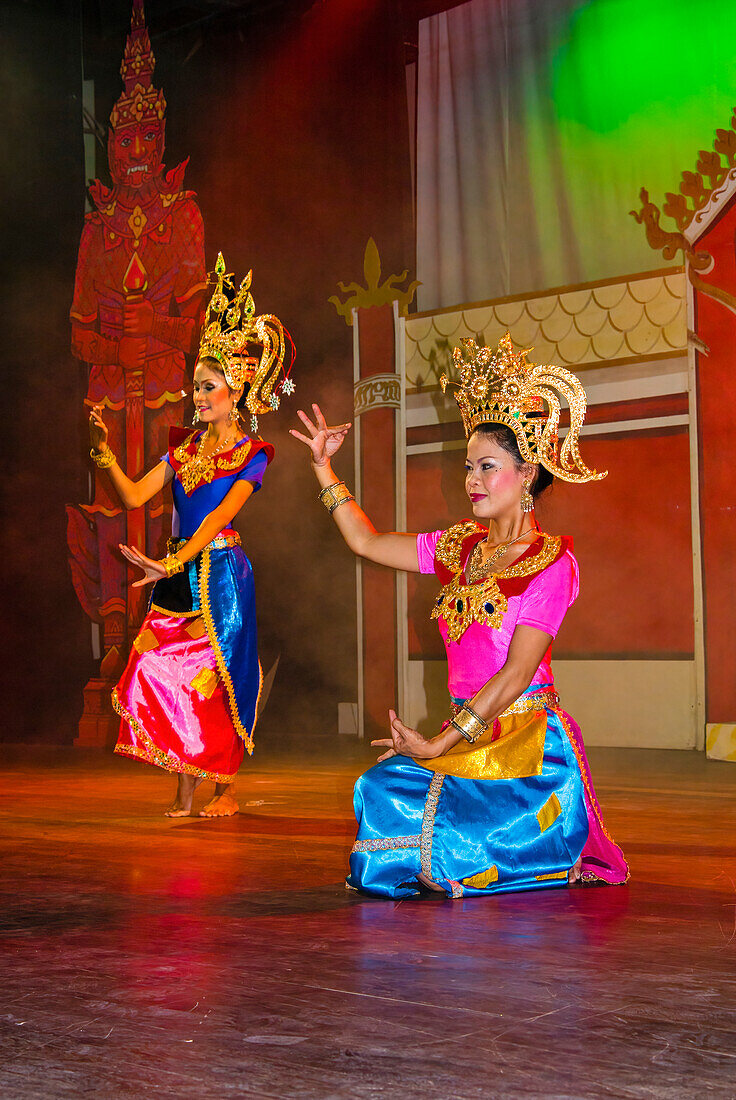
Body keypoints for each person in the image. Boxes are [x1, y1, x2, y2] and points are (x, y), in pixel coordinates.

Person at [291, 333, 628, 898]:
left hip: (527, 746)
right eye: (468, 467)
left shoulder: (552, 563)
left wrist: (440, 742)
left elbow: (517, 675)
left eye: (487, 467)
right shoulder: (459, 547)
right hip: (465, 740)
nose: (470, 480)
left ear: (527, 474)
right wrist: (325, 468)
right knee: (378, 789)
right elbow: (368, 542)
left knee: (446, 837)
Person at [89, 252, 294, 817]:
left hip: (221, 569)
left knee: (220, 677)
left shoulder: (252, 454)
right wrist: (103, 451)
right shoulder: (181, 450)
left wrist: (178, 558)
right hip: (180, 567)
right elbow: (133, 494)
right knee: (155, 666)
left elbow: (218, 515)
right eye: (195, 388)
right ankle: (184, 785)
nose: (197, 397)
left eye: (208, 387)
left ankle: (224, 786)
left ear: (237, 389)